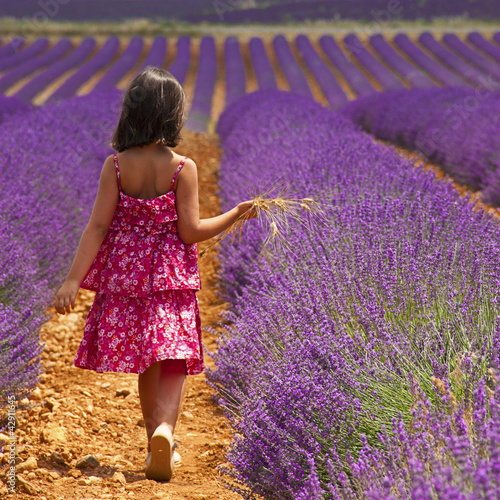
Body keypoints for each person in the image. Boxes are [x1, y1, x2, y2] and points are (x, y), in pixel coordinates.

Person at [53, 66, 256, 482]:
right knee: (174, 358)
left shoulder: (116, 165)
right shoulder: (183, 168)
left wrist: (73, 279)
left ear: (131, 111)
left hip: (127, 279)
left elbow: (97, 227)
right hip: (170, 278)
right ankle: (166, 430)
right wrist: (234, 214)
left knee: (147, 359)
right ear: (172, 114)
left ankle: (153, 441)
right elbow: (190, 231)